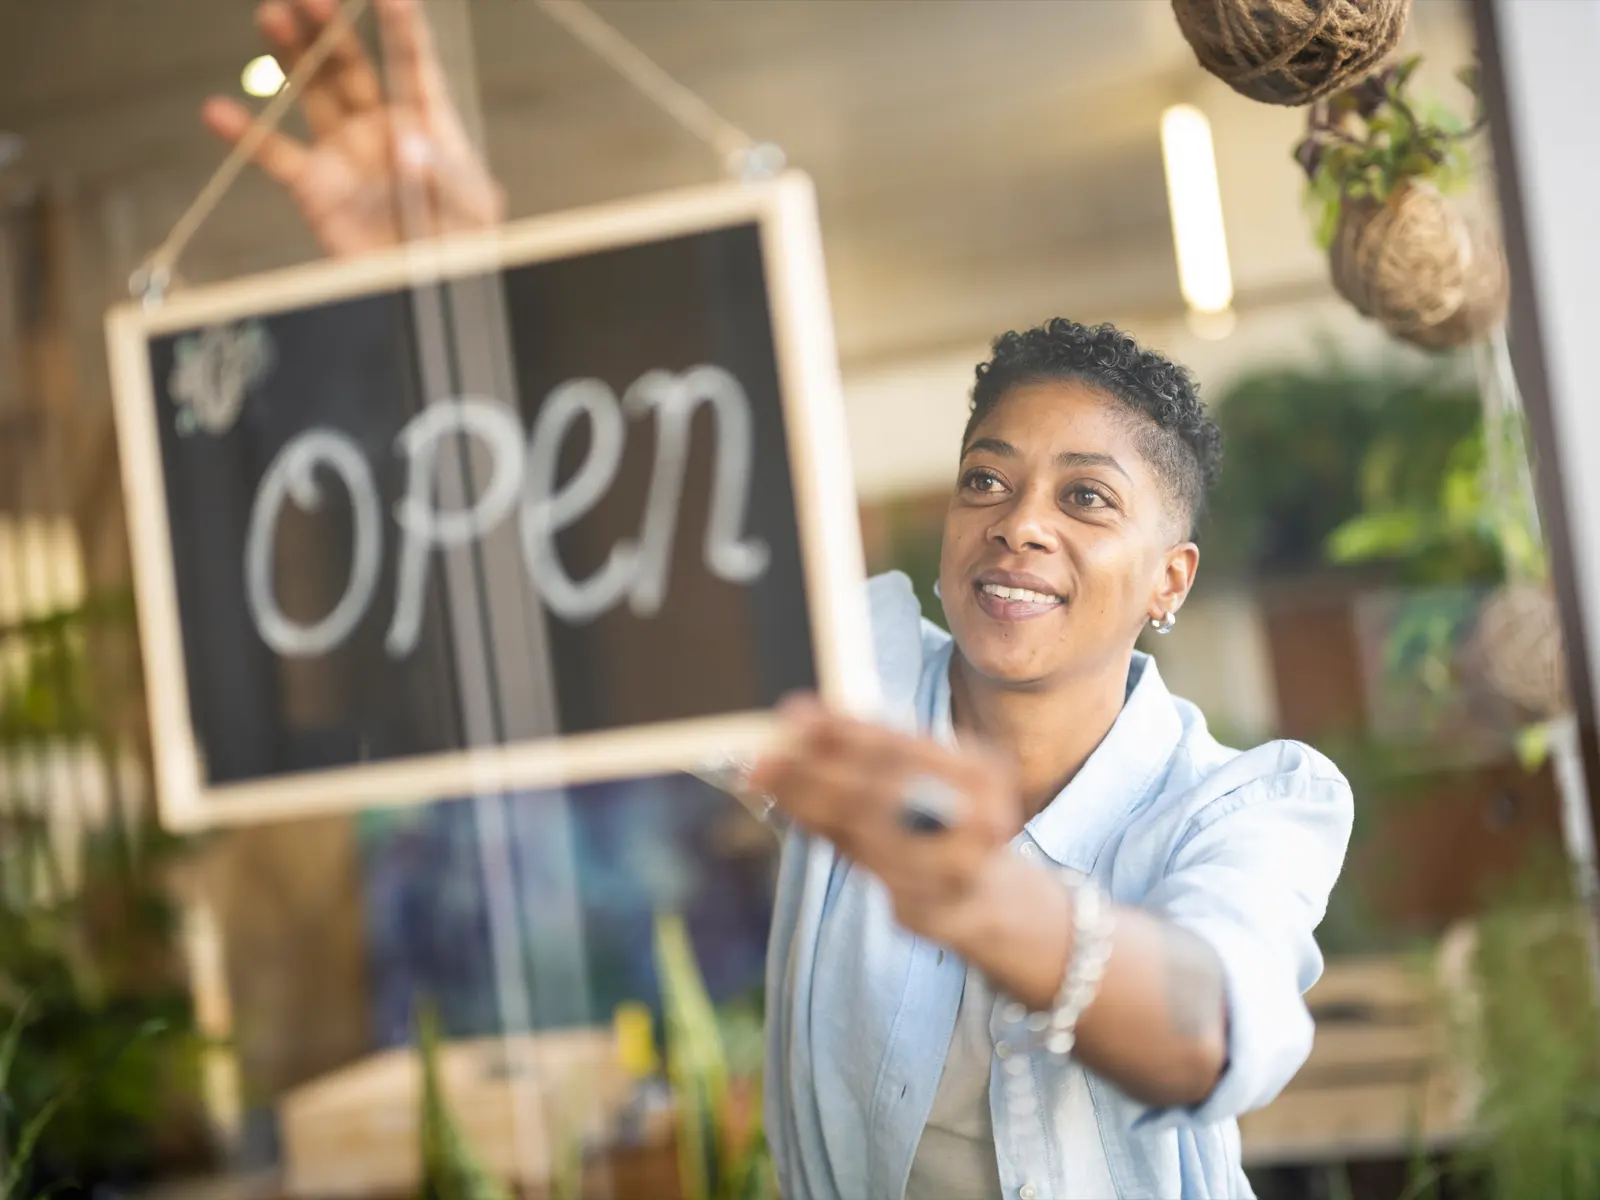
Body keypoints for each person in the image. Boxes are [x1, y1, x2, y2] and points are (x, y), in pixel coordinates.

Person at [205, 3, 1354, 1196]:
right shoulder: (855, 667)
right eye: (987, 480)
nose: (1020, 522)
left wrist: (978, 891)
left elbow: (1210, 1026)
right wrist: (454, 292)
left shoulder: (1248, 803)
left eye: (1087, 499)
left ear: (1171, 578)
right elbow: (625, 561)